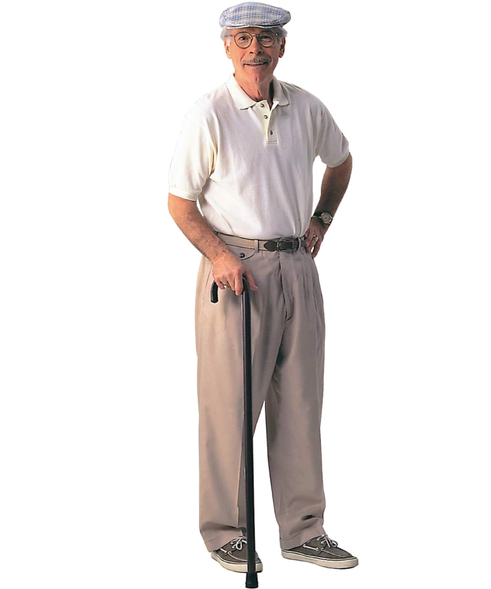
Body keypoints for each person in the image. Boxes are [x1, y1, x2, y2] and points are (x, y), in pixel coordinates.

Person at [167, 1, 356, 574]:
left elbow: (342, 161)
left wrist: (320, 220)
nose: (256, 49)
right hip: (236, 272)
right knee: (229, 406)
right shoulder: (209, 114)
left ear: (282, 46)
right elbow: (180, 203)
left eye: (267, 38)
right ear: (227, 46)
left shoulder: (306, 107)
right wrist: (220, 255)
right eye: (244, 38)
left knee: (300, 402)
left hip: (297, 264)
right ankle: (225, 532)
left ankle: (303, 531)